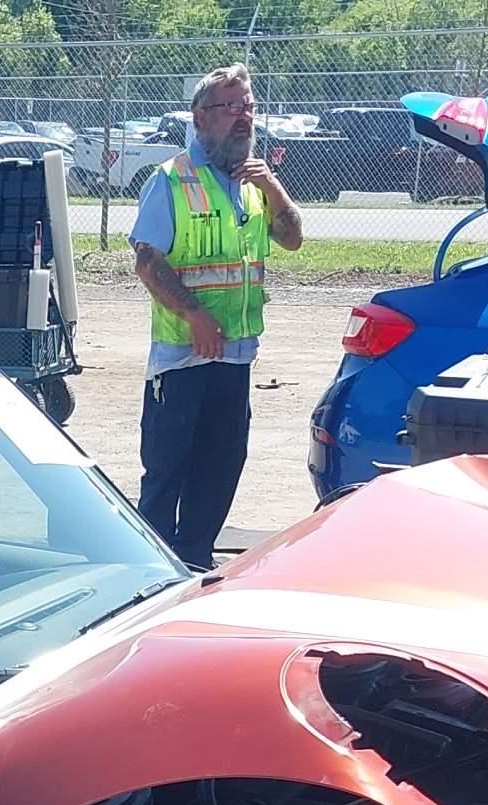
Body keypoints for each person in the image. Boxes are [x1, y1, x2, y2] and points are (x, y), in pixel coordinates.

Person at [128, 65, 303, 573]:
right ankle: (152, 572)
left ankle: (196, 559)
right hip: (183, 357)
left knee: (222, 465)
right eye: (231, 107)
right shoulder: (172, 179)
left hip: (236, 355)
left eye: (248, 106)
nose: (243, 117)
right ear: (202, 117)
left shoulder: (252, 182)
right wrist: (196, 316)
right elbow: (147, 262)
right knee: (168, 469)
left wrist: (273, 189)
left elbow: (291, 238)